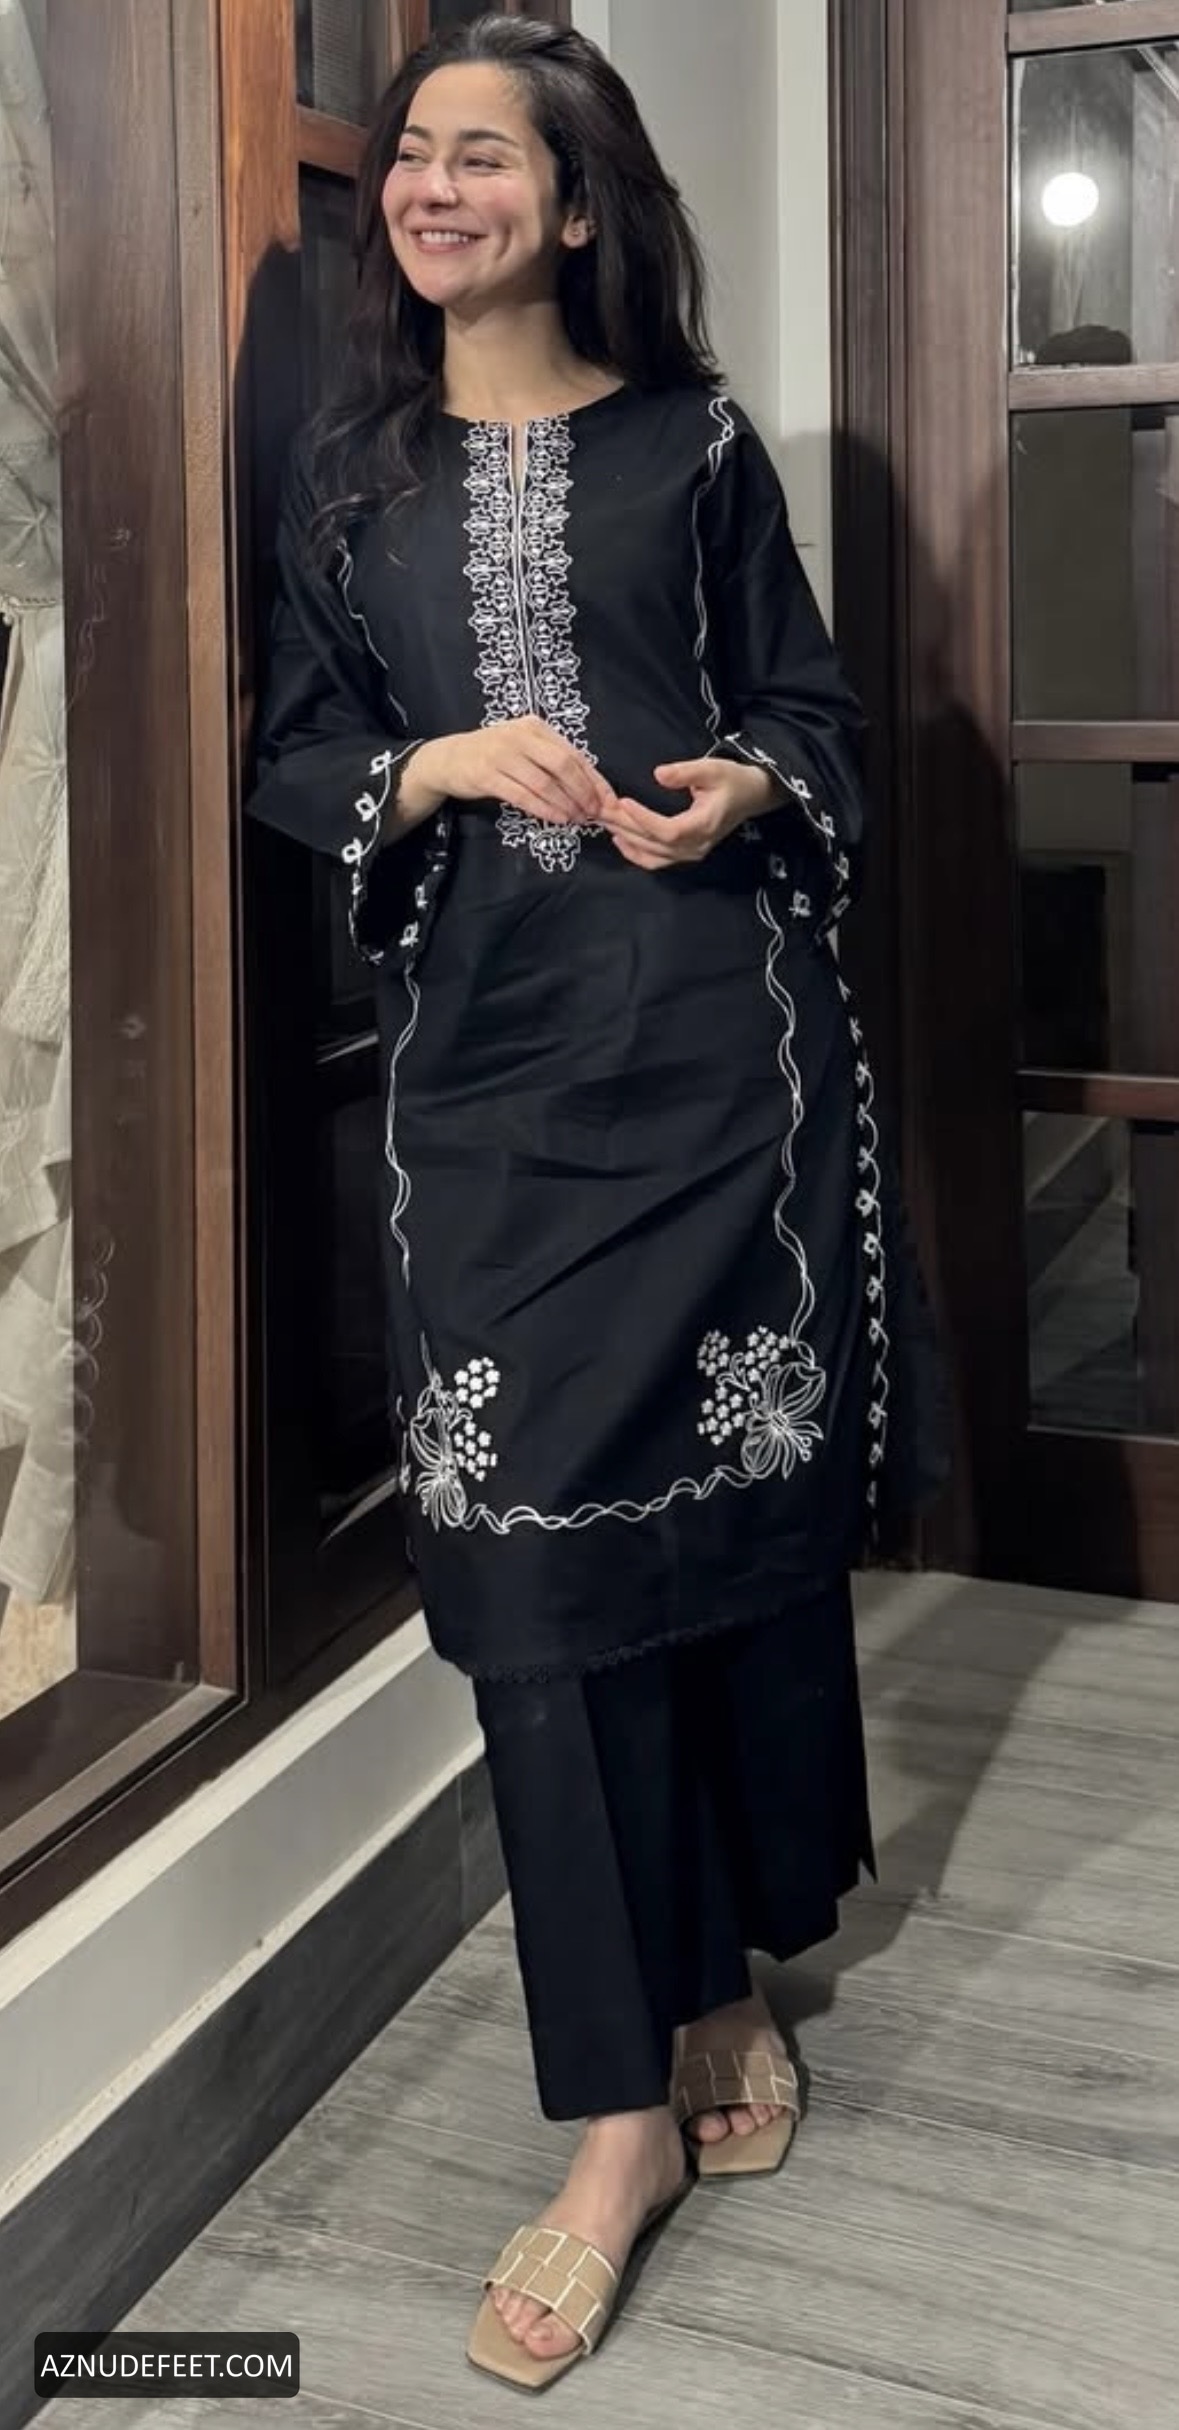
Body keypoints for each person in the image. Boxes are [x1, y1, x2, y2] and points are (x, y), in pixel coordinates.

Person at [249, 10, 942, 2395]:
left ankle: (714, 1983)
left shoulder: (691, 450)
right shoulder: (348, 483)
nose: (431, 186)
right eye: (412, 153)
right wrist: (437, 761)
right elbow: (297, 753)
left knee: (718, 1533)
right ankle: (611, 2114)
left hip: (715, 1066)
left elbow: (813, 716)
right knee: (528, 1580)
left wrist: (740, 785)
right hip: (488, 1092)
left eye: (483, 156)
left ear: (568, 204)